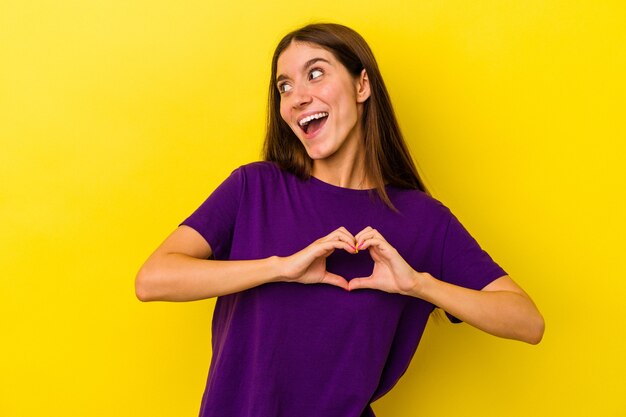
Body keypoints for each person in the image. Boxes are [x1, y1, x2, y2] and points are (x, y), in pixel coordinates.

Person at [136, 23, 544, 417]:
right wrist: (279, 268)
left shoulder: (422, 219)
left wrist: (418, 284)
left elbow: (527, 321)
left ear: (362, 85)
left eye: (315, 74)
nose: (297, 97)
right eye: (284, 86)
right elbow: (153, 279)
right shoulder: (254, 189)